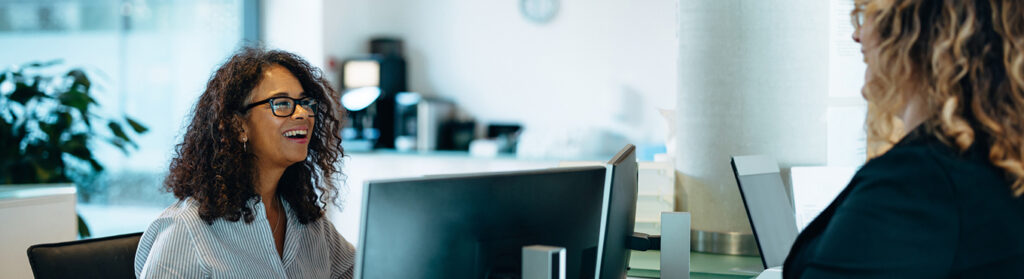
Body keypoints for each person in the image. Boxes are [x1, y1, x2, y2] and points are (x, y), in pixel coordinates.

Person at [784, 0, 1024, 277]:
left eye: (870, 15)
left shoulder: (918, 184)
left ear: (921, 33)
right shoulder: (999, 160)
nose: (857, 34)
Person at [134, 47, 354, 278]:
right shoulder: (186, 230)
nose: (302, 114)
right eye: (281, 103)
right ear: (239, 126)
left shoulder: (308, 223)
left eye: (304, 103)